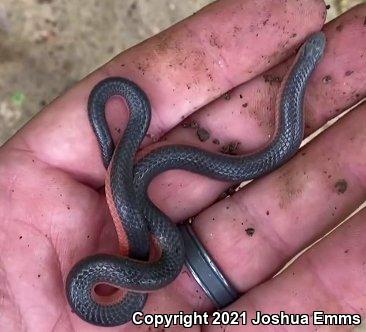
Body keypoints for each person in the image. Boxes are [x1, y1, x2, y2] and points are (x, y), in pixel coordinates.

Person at [0, 0, 365, 330]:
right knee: (138, 186)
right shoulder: (111, 276)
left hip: (142, 233)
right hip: (135, 253)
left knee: (139, 182)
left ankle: (131, 176)